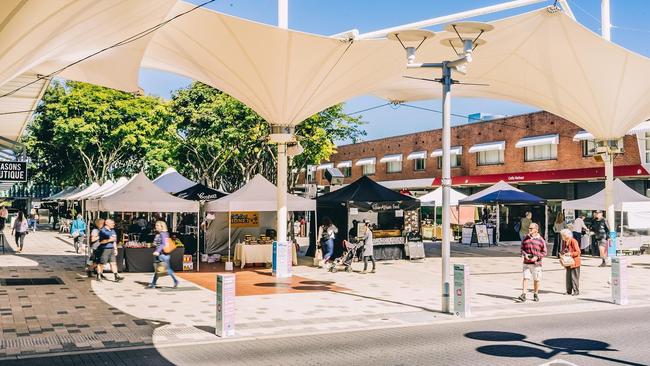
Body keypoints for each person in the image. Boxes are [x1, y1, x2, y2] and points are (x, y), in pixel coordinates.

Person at [518, 222, 547, 302]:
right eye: (529, 228)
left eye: (531, 228)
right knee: (525, 278)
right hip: (526, 262)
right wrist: (525, 254)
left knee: (536, 279)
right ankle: (523, 294)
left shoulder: (541, 240)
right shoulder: (525, 238)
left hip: (536, 263)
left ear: (536, 230)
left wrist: (537, 257)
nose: (529, 229)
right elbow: (522, 248)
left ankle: (536, 293)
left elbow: (544, 252)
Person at [146, 221, 179, 289]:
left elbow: (163, 244)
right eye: (156, 225)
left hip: (162, 254)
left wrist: (157, 251)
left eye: (158, 225)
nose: (156, 227)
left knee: (167, 270)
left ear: (162, 226)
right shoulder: (163, 233)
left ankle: (175, 281)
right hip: (162, 254)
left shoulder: (163, 234)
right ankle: (153, 284)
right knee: (158, 269)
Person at [560, 229, 581, 296]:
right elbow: (564, 250)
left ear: (566, 235)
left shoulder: (573, 241)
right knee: (568, 277)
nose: (562, 237)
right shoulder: (565, 241)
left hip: (574, 262)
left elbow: (578, 252)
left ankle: (576, 291)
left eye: (563, 235)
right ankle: (568, 291)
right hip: (568, 262)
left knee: (574, 277)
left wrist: (570, 254)